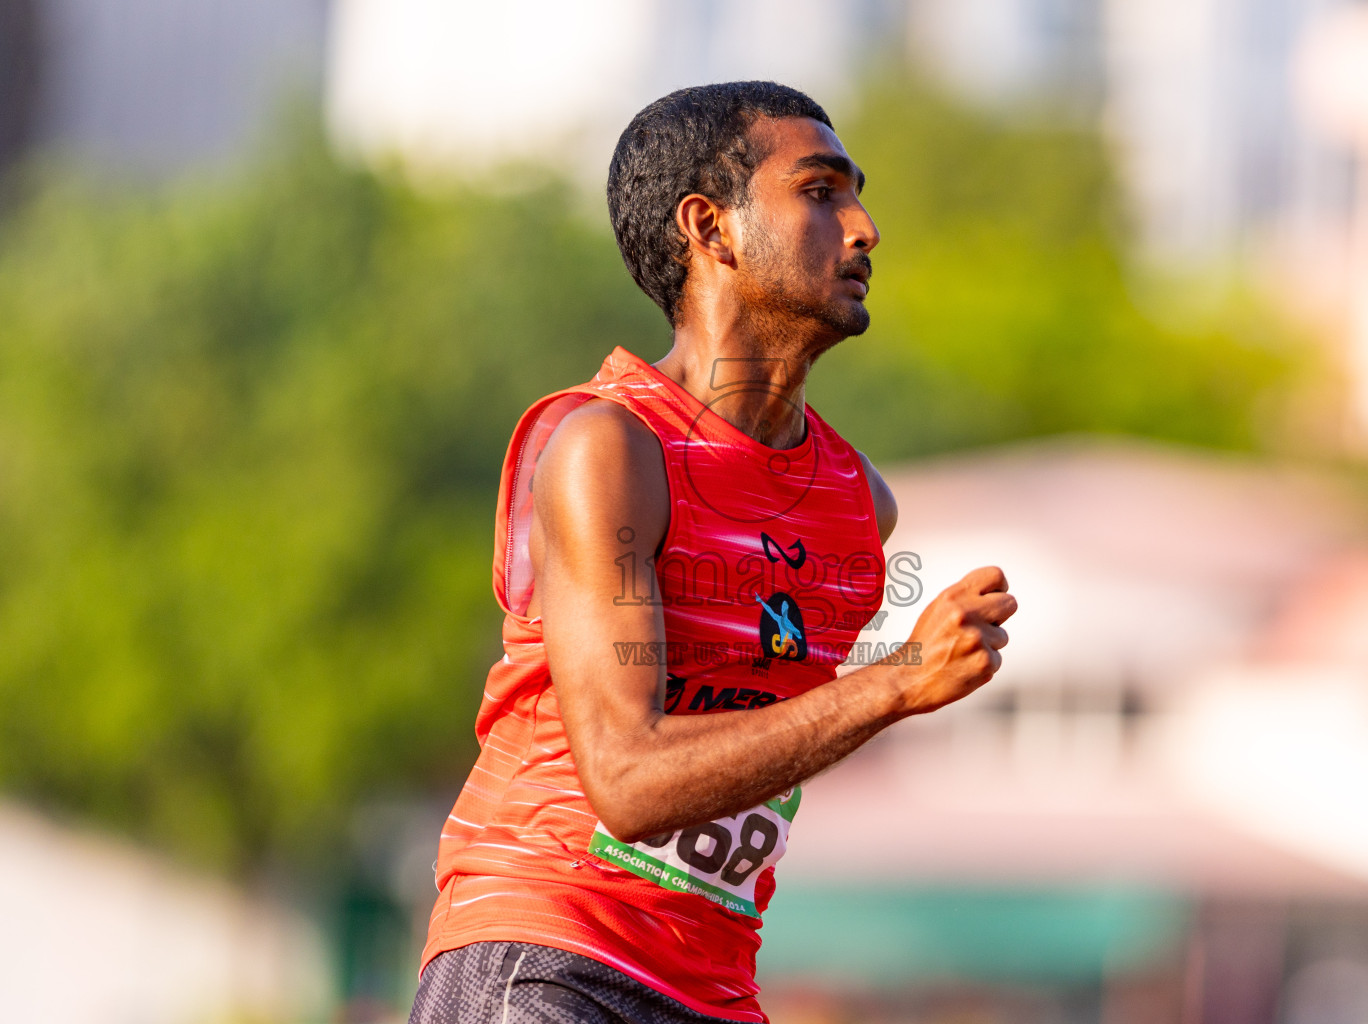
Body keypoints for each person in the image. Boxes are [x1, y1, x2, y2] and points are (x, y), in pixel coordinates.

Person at [409, 81, 1016, 1024]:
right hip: (546, 954)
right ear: (710, 227)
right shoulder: (610, 450)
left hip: (712, 990)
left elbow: (756, 745)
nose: (864, 228)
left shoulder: (862, 508)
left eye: (856, 196)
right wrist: (897, 681)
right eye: (820, 192)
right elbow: (628, 778)